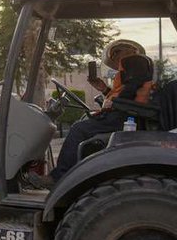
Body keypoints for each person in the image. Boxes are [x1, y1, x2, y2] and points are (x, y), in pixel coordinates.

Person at [52, 53, 155, 182]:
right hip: (122, 117)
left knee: (78, 129)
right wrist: (105, 90)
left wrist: (113, 104)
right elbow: (124, 99)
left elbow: (125, 103)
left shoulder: (136, 86)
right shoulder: (135, 85)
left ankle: (59, 177)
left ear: (131, 71)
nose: (118, 74)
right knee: (83, 123)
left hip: (123, 120)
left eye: (121, 71)